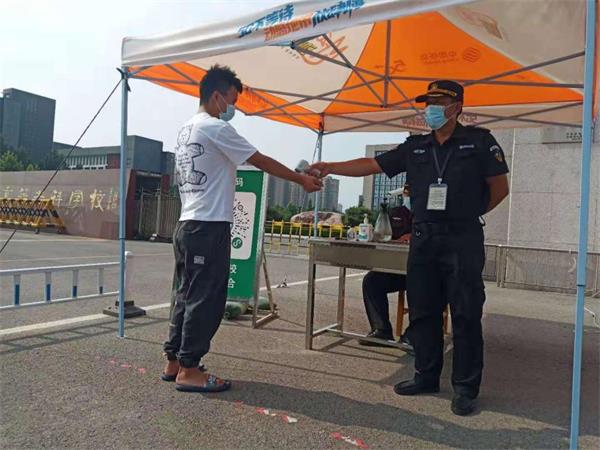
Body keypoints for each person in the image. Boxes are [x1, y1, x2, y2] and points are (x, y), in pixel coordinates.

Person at [310, 80, 509, 415]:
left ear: (457, 107)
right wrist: (331, 167)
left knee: (465, 313)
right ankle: (426, 376)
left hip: (462, 239)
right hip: (424, 239)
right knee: (423, 311)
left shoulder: (479, 142)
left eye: (439, 102)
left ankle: (465, 388)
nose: (431, 109)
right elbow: (371, 165)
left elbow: (499, 189)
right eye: (428, 102)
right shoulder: (416, 147)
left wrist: (466, 215)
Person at [162, 65, 322, 393]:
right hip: (208, 226)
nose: (232, 109)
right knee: (205, 299)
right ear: (217, 96)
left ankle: (174, 361)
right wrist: (300, 179)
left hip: (187, 225)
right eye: (231, 101)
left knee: (185, 294)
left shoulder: (186, 129)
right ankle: (189, 369)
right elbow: (259, 160)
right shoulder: (215, 128)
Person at [359, 186, 413, 348]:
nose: (409, 194)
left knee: (423, 285)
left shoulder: (433, 213)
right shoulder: (394, 213)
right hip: (396, 268)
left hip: (424, 270)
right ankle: (381, 329)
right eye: (408, 190)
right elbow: (382, 236)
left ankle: (414, 334)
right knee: (372, 281)